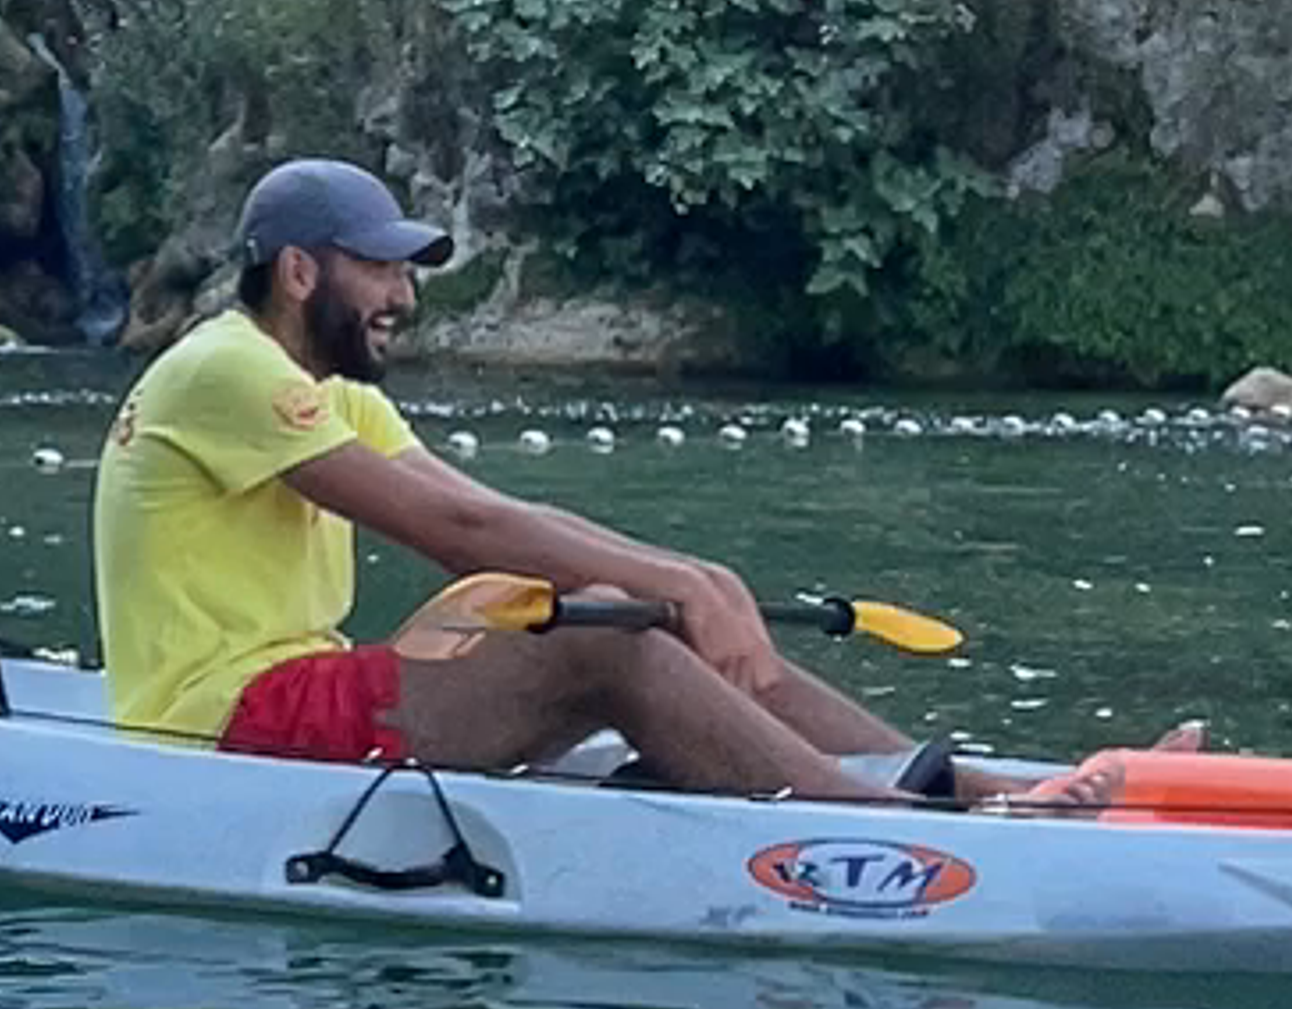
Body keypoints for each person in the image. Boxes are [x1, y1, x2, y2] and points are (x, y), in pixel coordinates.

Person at [95, 158, 1015, 805]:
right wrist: (680, 584)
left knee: (637, 612)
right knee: (604, 639)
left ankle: (970, 792)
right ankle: (884, 840)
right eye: (378, 268)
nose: (404, 297)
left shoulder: (330, 393)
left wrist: (693, 587)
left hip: (303, 688)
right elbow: (456, 531)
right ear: (299, 270)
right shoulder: (222, 366)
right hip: (218, 725)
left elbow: (503, 513)